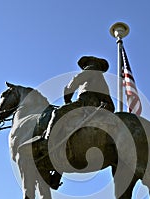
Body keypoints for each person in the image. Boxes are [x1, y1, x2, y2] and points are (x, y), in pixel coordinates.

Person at [38, 56, 115, 189]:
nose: (86, 67)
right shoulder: (101, 80)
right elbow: (110, 103)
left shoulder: (91, 70)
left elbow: (74, 82)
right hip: (96, 105)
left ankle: (47, 142)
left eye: (87, 65)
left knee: (58, 113)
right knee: (68, 133)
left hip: (86, 103)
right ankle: (56, 175)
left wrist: (67, 97)